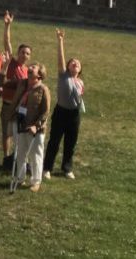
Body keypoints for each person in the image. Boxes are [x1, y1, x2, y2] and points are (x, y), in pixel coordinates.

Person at [43, 29, 84, 180]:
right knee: (54, 141)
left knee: (70, 143)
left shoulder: (80, 82)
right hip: (61, 112)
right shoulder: (63, 75)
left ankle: (67, 168)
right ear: (68, 66)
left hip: (74, 115)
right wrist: (60, 40)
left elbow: (79, 99)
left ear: (80, 70)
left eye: (78, 63)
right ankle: (47, 168)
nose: (75, 63)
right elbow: (61, 59)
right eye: (72, 62)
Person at [11, 62, 51, 193]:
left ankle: (36, 181)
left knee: (35, 155)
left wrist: (36, 125)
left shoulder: (43, 89)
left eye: (33, 68)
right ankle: (20, 177)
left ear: (39, 75)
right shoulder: (22, 84)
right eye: (30, 67)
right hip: (21, 124)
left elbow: (45, 111)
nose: (29, 68)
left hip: (35, 129)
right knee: (21, 153)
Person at [0, 11, 31, 169]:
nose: (24, 55)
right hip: (7, 105)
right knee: (6, 133)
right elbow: (7, 43)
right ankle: (6, 158)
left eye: (27, 53)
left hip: (20, 108)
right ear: (18, 53)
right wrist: (7, 26)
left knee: (19, 134)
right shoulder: (12, 63)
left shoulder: (27, 71)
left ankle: (17, 158)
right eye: (22, 52)